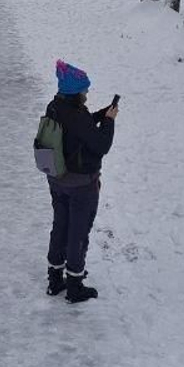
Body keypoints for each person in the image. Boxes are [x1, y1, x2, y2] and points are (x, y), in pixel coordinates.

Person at [42, 60, 117, 303]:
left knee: (60, 225)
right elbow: (101, 145)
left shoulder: (55, 106)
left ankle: (55, 278)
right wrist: (109, 121)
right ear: (76, 91)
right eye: (84, 89)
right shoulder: (76, 114)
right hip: (81, 185)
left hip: (57, 179)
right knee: (78, 232)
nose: (86, 93)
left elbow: (77, 130)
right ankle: (75, 285)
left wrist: (98, 115)